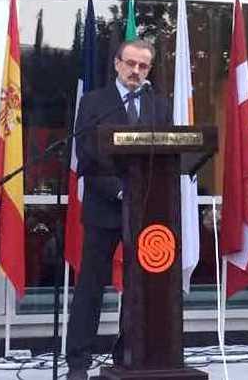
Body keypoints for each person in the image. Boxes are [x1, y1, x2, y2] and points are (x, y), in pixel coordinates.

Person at [65, 39, 170, 379]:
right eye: (130, 64)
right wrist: (123, 191)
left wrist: (144, 194)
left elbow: (167, 156)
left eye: (143, 66)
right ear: (117, 63)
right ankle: (78, 361)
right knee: (91, 286)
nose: (136, 71)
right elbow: (87, 155)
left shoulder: (159, 106)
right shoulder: (94, 103)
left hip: (147, 212)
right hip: (104, 209)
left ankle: (129, 354)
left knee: (141, 287)